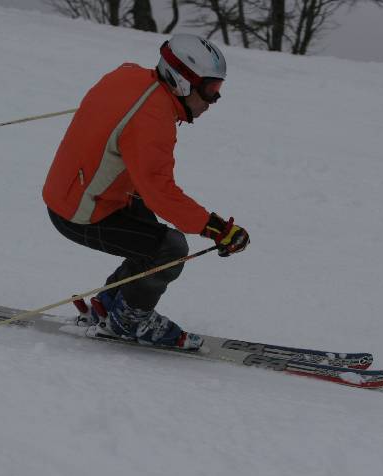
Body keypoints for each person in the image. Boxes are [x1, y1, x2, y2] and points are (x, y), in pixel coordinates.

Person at [42, 34, 249, 350]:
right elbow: (160, 192)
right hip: (79, 211)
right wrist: (218, 229)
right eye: (210, 89)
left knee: (150, 234)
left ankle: (110, 303)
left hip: (76, 191)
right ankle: (130, 320)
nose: (214, 100)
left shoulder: (130, 77)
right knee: (170, 248)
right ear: (182, 81)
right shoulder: (153, 120)